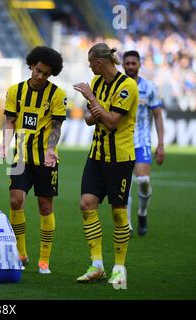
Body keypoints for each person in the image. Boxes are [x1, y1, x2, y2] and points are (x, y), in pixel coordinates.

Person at [73, 43, 139, 285]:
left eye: (91, 62)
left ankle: (120, 268)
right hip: (96, 155)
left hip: (119, 159)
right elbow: (91, 119)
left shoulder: (127, 86)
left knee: (119, 213)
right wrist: (93, 106)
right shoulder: (99, 84)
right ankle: (97, 265)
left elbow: (111, 122)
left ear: (99, 63)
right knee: (86, 203)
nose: (89, 66)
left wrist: (92, 99)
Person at [2, 46, 67, 274]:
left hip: (45, 160)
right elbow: (10, 121)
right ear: (31, 66)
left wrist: (51, 149)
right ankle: (21, 253)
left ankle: (44, 260)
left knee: (45, 206)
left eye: (46, 74)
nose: (40, 77)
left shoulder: (57, 95)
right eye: (38, 71)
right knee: (15, 201)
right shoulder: (14, 91)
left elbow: (57, 126)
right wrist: (4, 142)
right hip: (20, 157)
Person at [122, 50, 165, 236]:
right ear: (123, 65)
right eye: (127, 63)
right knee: (125, 185)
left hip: (142, 141)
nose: (130, 66)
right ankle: (128, 225)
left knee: (143, 181)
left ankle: (142, 212)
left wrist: (161, 144)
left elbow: (157, 116)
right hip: (121, 142)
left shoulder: (149, 87)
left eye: (134, 63)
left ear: (139, 64)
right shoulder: (118, 86)